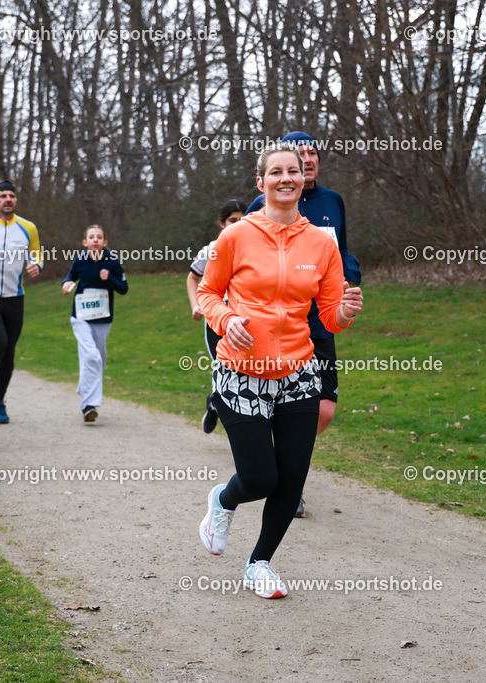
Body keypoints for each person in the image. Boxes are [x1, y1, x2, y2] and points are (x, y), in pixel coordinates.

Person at [196, 143, 363, 599]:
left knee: (292, 479)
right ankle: (223, 501)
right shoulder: (235, 238)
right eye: (276, 172)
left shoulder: (321, 243)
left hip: (298, 372)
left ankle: (260, 564)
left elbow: (329, 317)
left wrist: (346, 312)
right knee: (259, 479)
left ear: (303, 178)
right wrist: (227, 320)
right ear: (261, 182)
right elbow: (208, 293)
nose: (286, 178)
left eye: (293, 171)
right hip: (242, 371)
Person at [247, 131, 361, 518]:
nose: (307, 160)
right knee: (284, 406)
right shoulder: (261, 205)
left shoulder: (332, 201)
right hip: (279, 322)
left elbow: (342, 248)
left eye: (312, 154)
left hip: (321, 317)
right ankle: (288, 485)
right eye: (299, 155)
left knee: (324, 411)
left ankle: (284, 467)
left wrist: (350, 277)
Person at [0, 180, 41, 424]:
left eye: (11, 196)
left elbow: (36, 252)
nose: (7, 200)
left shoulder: (28, 227)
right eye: (2, 196)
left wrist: (36, 265)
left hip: (15, 298)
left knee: (9, 352)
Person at [185, 199, 245, 433]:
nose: (237, 224)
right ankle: (217, 404)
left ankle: (216, 403)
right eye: (232, 221)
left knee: (242, 372)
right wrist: (195, 305)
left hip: (246, 321)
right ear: (222, 224)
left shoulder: (257, 246)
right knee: (224, 369)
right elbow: (192, 277)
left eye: (242, 219)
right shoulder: (211, 250)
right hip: (216, 322)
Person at [61, 225, 127, 422]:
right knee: (92, 357)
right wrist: (66, 284)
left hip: (102, 318)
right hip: (80, 317)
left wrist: (110, 279)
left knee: (99, 358)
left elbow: (123, 288)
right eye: (91, 237)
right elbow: (70, 277)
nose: (95, 240)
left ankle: (84, 386)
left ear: (105, 242)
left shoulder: (112, 262)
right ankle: (89, 405)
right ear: (85, 242)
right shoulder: (80, 260)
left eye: (99, 237)